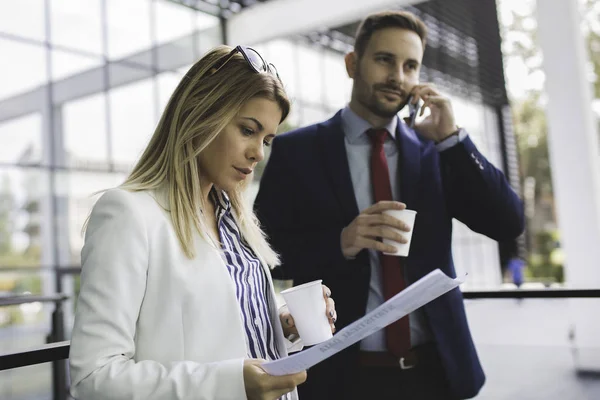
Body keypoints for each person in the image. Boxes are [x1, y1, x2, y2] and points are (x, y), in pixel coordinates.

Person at [255, 10, 524, 400]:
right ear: (353, 64)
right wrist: (341, 242)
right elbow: (265, 251)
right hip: (342, 377)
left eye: (410, 66)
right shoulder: (298, 150)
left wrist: (454, 139)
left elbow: (508, 222)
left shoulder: (437, 151)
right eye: (384, 60)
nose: (398, 76)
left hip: (436, 373)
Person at [69, 45, 337, 400]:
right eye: (247, 130)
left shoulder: (235, 217)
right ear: (200, 113)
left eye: (267, 139)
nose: (259, 152)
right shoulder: (128, 213)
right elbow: (94, 377)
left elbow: (230, 322)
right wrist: (230, 384)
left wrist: (286, 322)